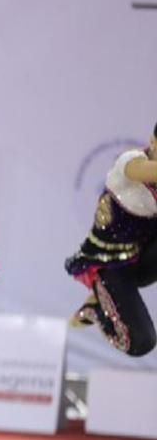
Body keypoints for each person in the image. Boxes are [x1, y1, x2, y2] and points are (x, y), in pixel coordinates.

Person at [66, 124, 157, 357]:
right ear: (153, 142)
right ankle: (97, 308)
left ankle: (105, 296)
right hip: (109, 264)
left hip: (142, 261)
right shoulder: (130, 162)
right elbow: (143, 171)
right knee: (142, 342)